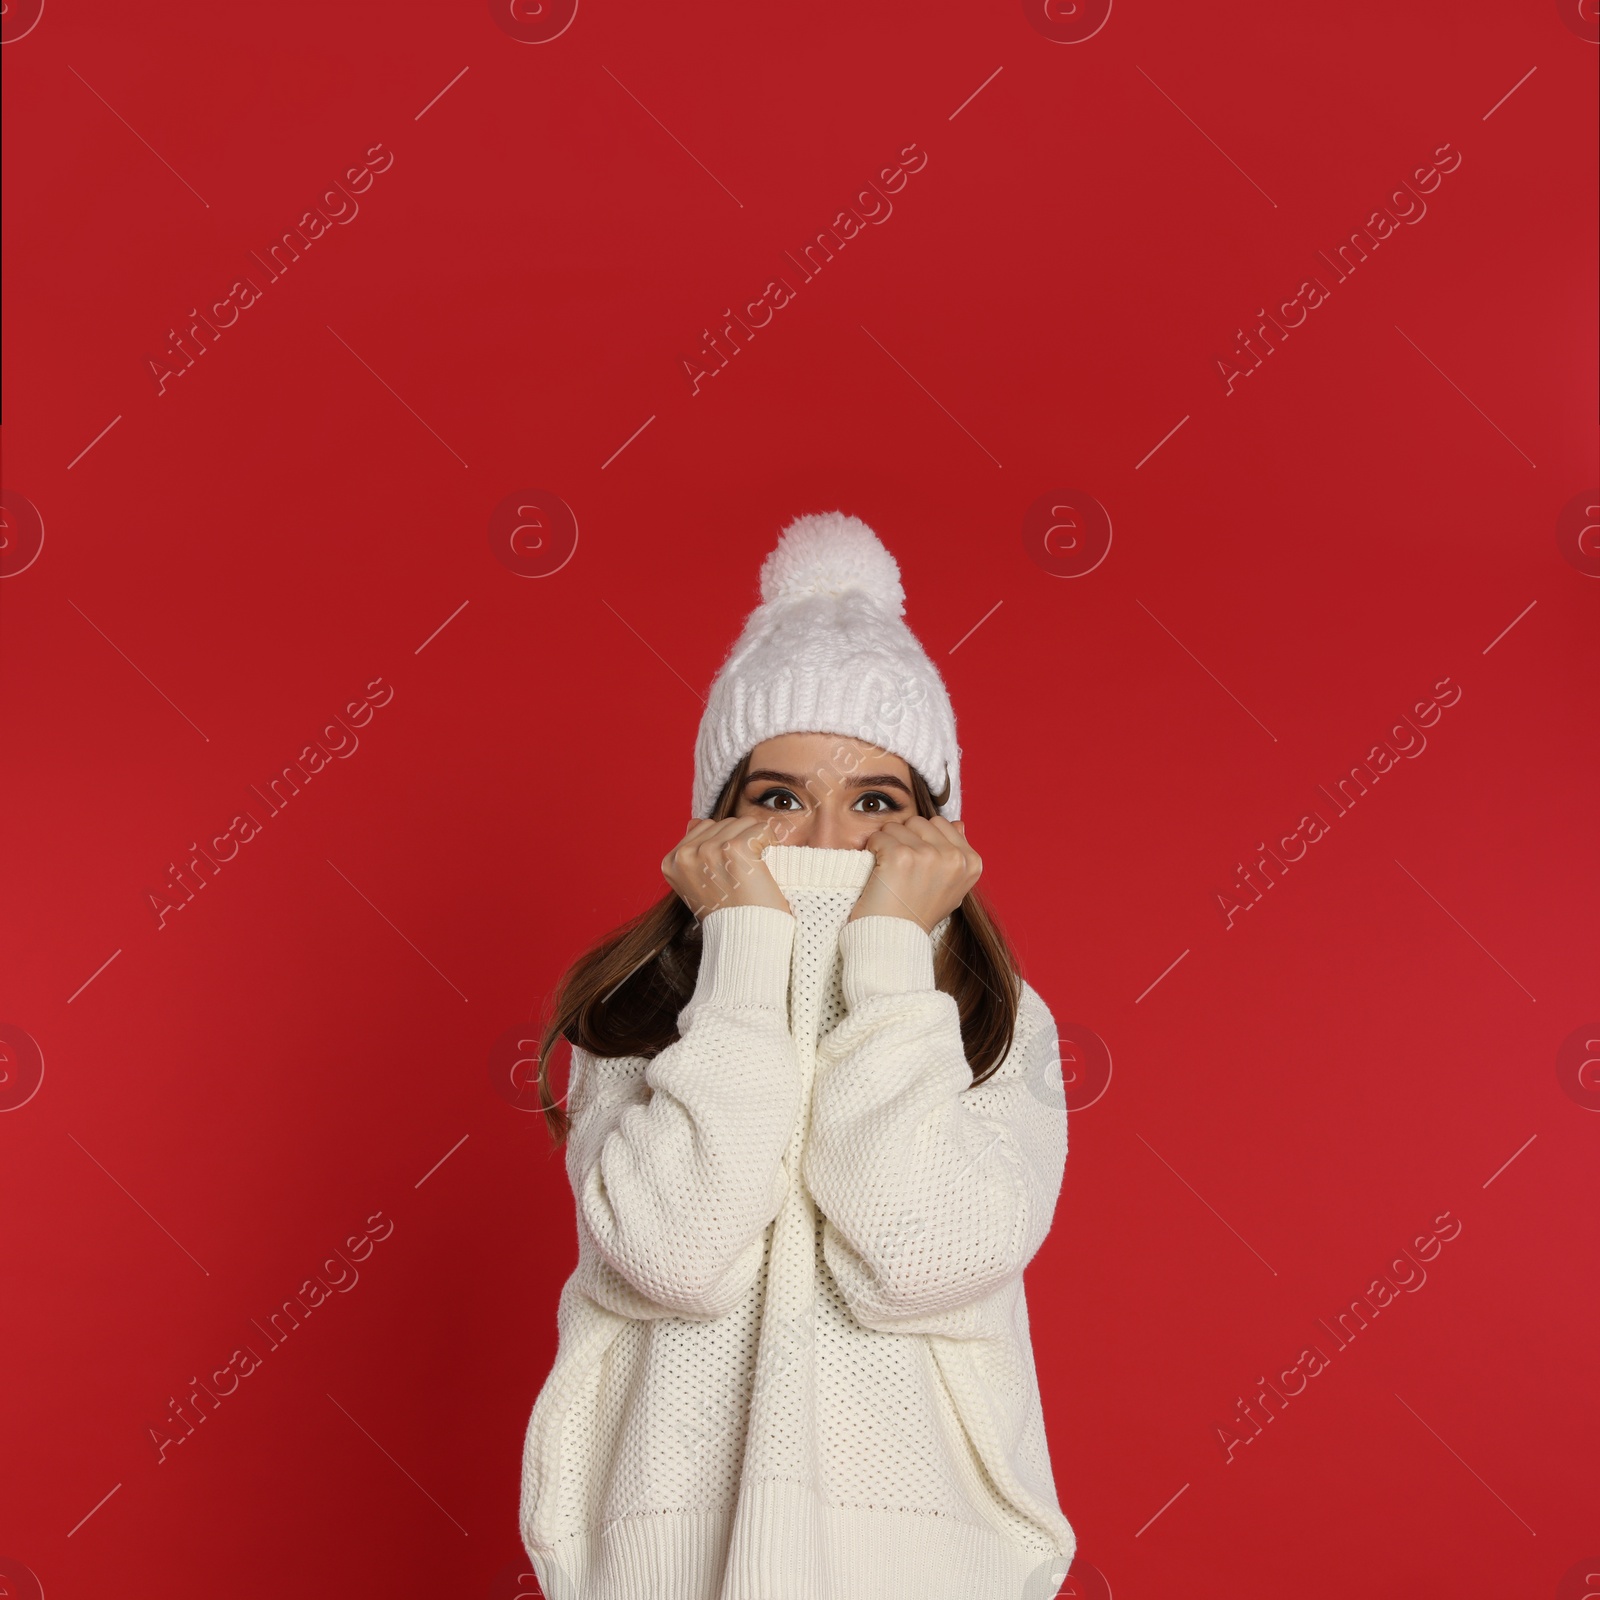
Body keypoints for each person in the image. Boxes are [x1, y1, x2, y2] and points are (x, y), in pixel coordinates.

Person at [518, 511, 1077, 1599]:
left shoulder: (996, 1020)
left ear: (938, 833)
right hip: (663, 1562)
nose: (827, 844)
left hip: (926, 1566)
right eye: (778, 798)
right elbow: (676, 1257)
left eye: (877, 802)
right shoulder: (641, 1015)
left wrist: (880, 957)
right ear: (714, 823)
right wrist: (743, 956)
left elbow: (918, 1255)